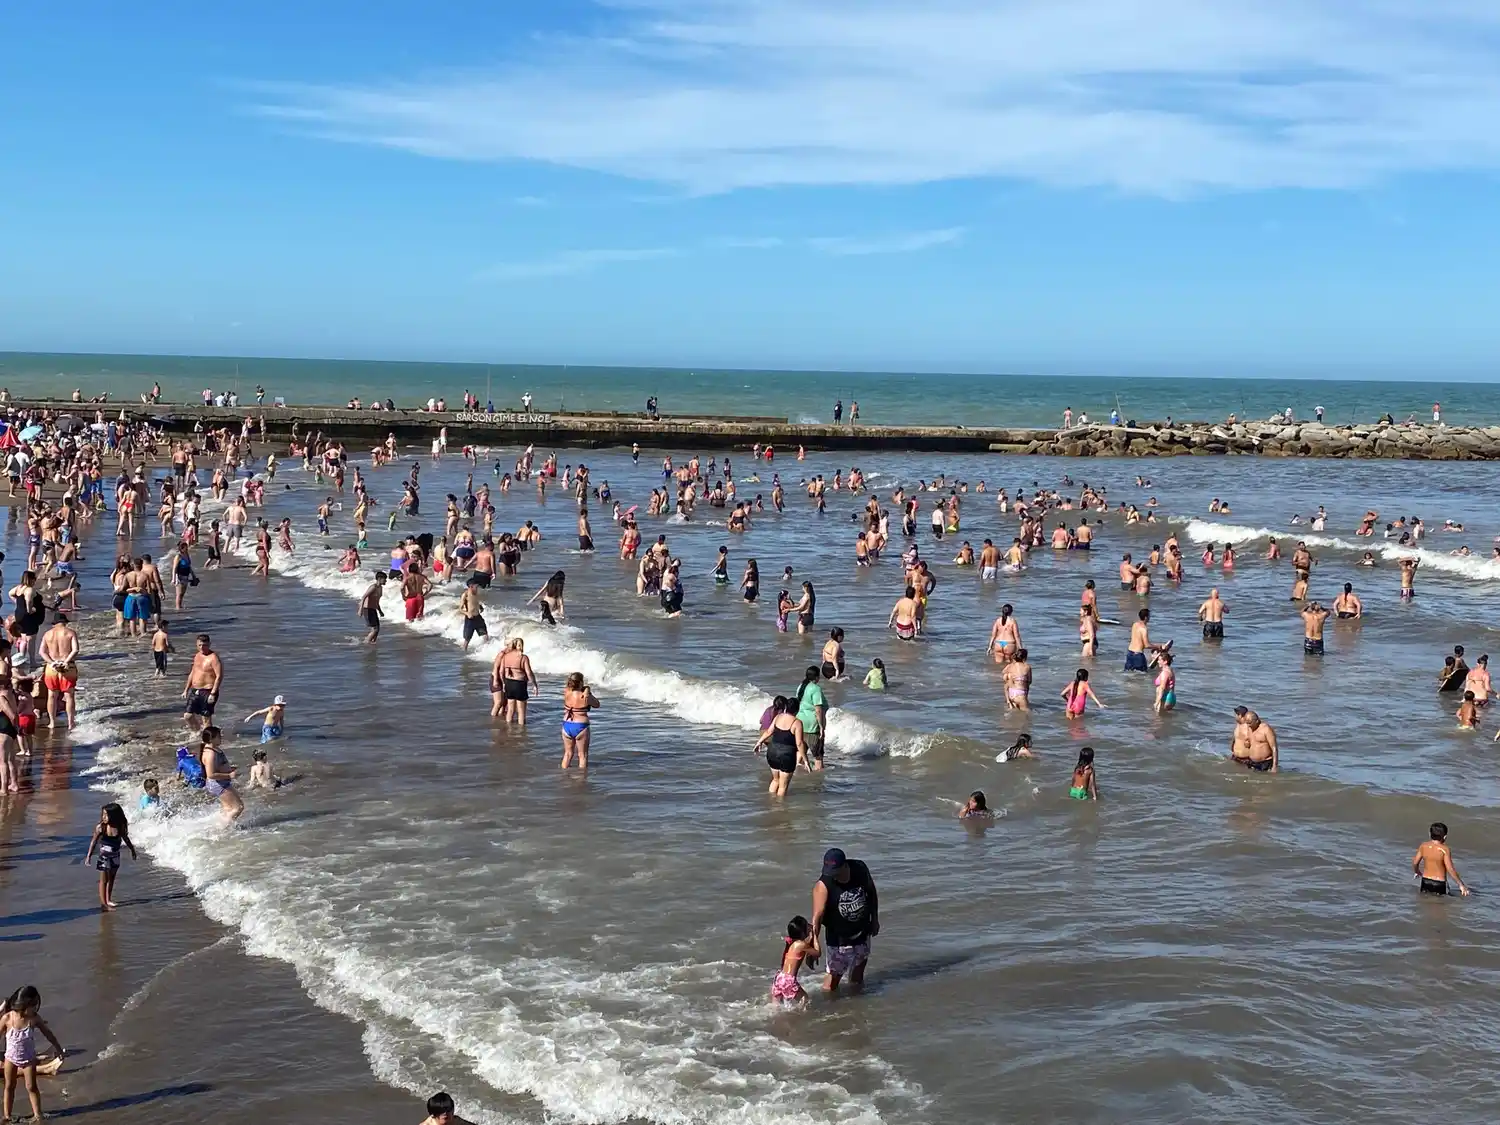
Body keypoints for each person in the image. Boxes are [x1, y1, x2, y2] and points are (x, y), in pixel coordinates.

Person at [809, 848, 878, 992]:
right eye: (829, 872)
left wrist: (875, 919)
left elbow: (871, 892)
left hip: (862, 932)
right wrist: (812, 945)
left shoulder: (859, 869)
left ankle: (854, 1007)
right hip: (838, 940)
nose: (832, 876)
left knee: (858, 977)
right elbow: (817, 917)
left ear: (845, 866)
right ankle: (829, 1010)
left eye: (835, 872)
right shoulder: (823, 885)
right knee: (832, 982)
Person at [1, 986, 65, 1124]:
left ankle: (37, 1114)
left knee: (31, 1087)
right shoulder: (7, 1018)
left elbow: (48, 1034)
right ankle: (7, 1115)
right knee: (9, 1086)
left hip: (29, 1060)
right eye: (33, 1006)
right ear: (23, 1005)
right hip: (10, 1059)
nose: (35, 1009)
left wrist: (58, 1048)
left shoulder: (34, 1019)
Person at [752, 695, 810, 797]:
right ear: (797, 710)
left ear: (786, 707)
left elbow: (769, 732)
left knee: (775, 780)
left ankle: (771, 802)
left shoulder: (778, 717)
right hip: (786, 755)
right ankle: (779, 809)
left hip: (772, 752)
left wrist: (759, 742)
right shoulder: (797, 723)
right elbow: (799, 743)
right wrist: (805, 760)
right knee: (783, 786)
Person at [83, 803, 136, 911]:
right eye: (103, 815)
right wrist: (88, 856)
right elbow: (93, 842)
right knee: (104, 880)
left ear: (114, 816)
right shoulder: (101, 827)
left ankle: (108, 900)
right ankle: (103, 904)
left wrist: (132, 850)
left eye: (106, 815)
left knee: (111, 879)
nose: (104, 817)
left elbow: (126, 839)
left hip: (115, 856)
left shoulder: (119, 827)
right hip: (104, 857)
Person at [39, 612, 80, 730]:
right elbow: (75, 650)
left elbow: (42, 652)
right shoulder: (70, 633)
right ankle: (71, 723)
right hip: (68, 667)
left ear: (54, 624)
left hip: (52, 668)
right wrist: (66, 661)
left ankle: (52, 722)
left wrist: (51, 662)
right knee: (69, 696)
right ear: (65, 622)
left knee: (51, 695)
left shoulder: (47, 634)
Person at [199, 725, 244, 821]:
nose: (221, 738)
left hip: (219, 783)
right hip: (218, 784)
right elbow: (211, 774)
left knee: (228, 809)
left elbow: (217, 766)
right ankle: (224, 828)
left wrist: (228, 768)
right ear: (211, 739)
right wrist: (229, 775)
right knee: (238, 807)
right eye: (219, 737)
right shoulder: (210, 753)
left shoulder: (213, 748)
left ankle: (223, 826)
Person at [1413, 822, 1469, 896]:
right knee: (1441, 905)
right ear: (1445, 837)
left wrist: (1417, 871)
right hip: (1439, 883)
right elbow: (1450, 869)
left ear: (1429, 834)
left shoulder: (1423, 846)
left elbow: (1415, 863)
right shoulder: (1444, 849)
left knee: (1426, 903)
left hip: (1425, 881)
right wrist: (1461, 885)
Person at [771, 916, 817, 1006]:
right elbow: (817, 953)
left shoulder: (792, 943)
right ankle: (800, 1018)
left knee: (776, 1007)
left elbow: (806, 945)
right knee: (805, 1000)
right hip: (789, 979)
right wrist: (814, 935)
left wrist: (810, 935)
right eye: (807, 926)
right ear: (803, 932)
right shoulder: (801, 944)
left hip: (780, 977)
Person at [182, 633, 223, 731]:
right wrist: (186, 689)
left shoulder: (213, 658)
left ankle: (207, 739)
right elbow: (192, 673)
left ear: (209, 644)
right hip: (195, 690)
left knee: (206, 718)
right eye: (199, 645)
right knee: (187, 716)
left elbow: (219, 676)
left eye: (204, 645)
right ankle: (197, 733)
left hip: (208, 691)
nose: (202, 647)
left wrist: (213, 693)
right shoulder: (197, 656)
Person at [493, 639, 538, 723]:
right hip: (520, 684)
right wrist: (534, 684)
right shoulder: (523, 657)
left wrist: (503, 683)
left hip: (508, 683)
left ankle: (509, 729)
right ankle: (521, 733)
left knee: (510, 710)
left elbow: (501, 671)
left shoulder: (506, 656)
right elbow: (528, 672)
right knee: (521, 712)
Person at [560, 672, 599, 769]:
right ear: (581, 682)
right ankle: (581, 781)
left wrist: (586, 688)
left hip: (566, 725)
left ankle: (563, 776)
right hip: (581, 726)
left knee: (568, 754)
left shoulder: (566, 692)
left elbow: (571, 688)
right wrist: (587, 690)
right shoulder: (585, 696)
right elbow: (597, 704)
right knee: (582, 756)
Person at [794, 666, 827, 770]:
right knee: (818, 756)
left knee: (800, 750)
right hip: (812, 725)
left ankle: (796, 773)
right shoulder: (816, 689)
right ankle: (818, 781)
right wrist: (821, 727)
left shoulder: (801, 686)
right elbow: (818, 710)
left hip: (800, 722)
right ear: (817, 677)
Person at [1230, 706, 1278, 772]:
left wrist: (1274, 766)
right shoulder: (1250, 728)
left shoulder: (1266, 729)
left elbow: (1274, 748)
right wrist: (1247, 744)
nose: (1248, 725)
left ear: (1257, 721)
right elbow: (1250, 743)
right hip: (1253, 763)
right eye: (1247, 723)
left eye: (1249, 723)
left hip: (1265, 762)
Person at [459, 578, 487, 650]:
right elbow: (460, 609)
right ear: (471, 586)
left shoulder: (476, 593)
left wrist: (480, 607)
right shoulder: (465, 595)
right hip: (470, 619)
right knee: (467, 639)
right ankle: (464, 652)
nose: (478, 588)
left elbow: (475, 602)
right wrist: (467, 613)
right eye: (476, 586)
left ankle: (485, 650)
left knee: (485, 635)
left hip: (478, 617)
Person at [360, 571, 386, 643]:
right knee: (375, 629)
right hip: (367, 609)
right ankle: (366, 642)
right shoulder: (373, 587)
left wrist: (380, 611)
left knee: (377, 629)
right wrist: (360, 610)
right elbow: (364, 597)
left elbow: (376, 601)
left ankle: (372, 643)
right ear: (379, 579)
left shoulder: (380, 588)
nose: (386, 581)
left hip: (373, 609)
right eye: (384, 579)